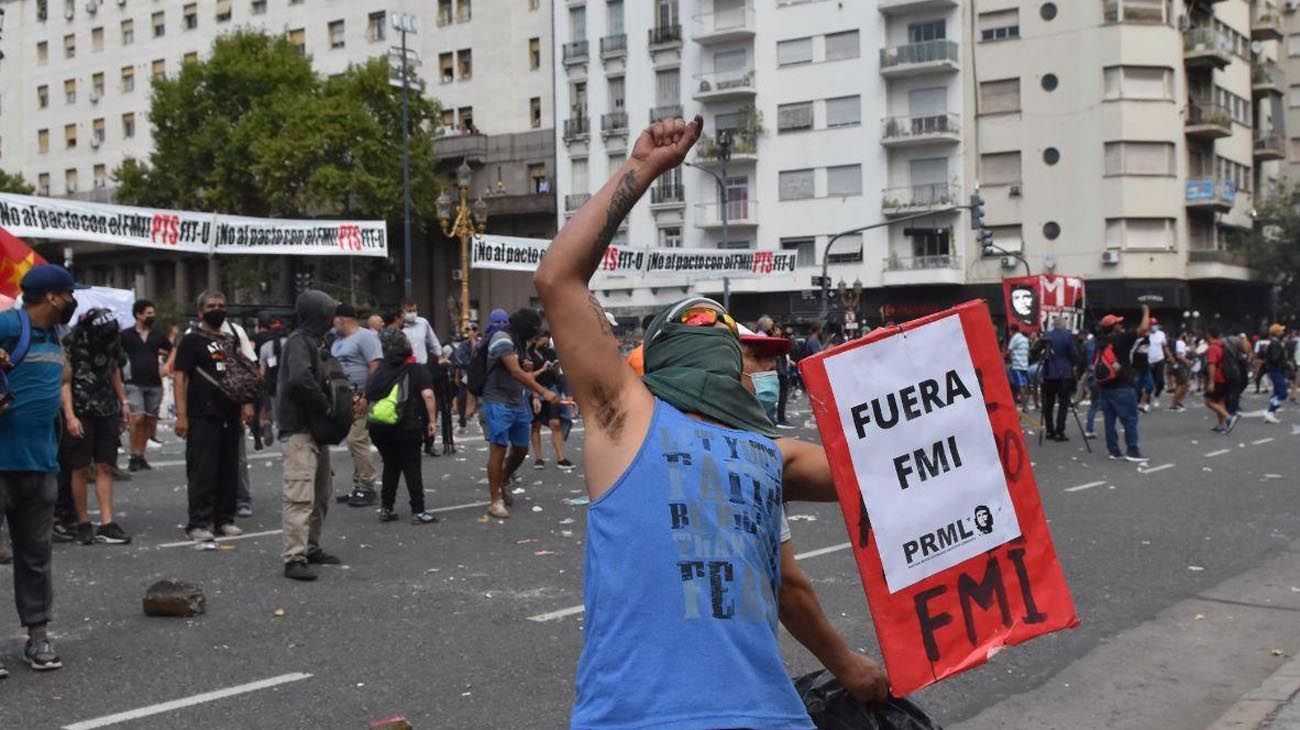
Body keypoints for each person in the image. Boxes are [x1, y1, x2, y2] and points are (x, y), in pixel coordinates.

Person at [535, 115, 886, 729]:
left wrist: (642, 168)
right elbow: (884, 477)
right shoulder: (746, 447)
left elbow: (558, 278)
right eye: (745, 364)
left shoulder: (639, 424)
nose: (753, 376)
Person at [0, 264, 86, 674]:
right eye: (69, 294)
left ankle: (37, 637)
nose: (73, 301)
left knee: (36, 557)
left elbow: (62, 377)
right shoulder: (6, 326)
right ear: (53, 297)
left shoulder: (55, 336)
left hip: (41, 464)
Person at [173, 291, 254, 542]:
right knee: (202, 470)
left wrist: (245, 404)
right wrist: (182, 415)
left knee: (228, 468)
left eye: (221, 305)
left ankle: (224, 519)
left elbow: (239, 374)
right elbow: (179, 377)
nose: (217, 309)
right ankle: (199, 522)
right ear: (200, 312)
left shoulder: (230, 340)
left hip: (229, 412)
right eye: (211, 306)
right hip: (202, 414)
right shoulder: (191, 341)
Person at [279, 290, 345, 581]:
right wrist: (327, 405)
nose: (333, 319)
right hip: (300, 429)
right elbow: (300, 379)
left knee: (321, 495)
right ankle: (294, 557)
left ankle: (311, 546)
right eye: (328, 312)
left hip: (317, 430)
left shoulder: (317, 343)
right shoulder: (298, 342)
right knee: (300, 495)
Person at [60, 308, 133, 545]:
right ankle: (82, 523)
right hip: (81, 409)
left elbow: (114, 371)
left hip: (107, 408)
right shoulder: (72, 342)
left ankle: (107, 522)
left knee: (105, 465)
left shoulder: (112, 341)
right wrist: (70, 415)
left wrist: (123, 402)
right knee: (80, 467)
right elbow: (65, 381)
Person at [480, 308, 560, 519]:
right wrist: (542, 392)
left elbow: (519, 369)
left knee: (521, 449)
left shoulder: (518, 341)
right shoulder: (502, 338)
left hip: (517, 401)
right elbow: (514, 371)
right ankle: (494, 500)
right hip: (498, 401)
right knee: (498, 448)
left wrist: (526, 366)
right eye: (533, 329)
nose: (535, 334)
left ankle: (504, 478)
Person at [365, 329, 439, 525]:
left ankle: (386, 508)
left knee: (391, 464)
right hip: (406, 425)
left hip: (378, 426)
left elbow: (369, 394)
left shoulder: (380, 369)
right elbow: (428, 395)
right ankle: (419, 511)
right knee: (412, 466)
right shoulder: (416, 369)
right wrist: (432, 421)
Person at [330, 303, 381, 506]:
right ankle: (358, 485)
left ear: (342, 318)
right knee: (352, 441)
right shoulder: (338, 340)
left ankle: (367, 486)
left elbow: (375, 366)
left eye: (334, 319)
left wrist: (366, 396)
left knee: (356, 439)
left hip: (359, 396)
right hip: (342, 397)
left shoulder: (366, 337)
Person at [120, 299, 172, 472]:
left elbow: (172, 349)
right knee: (137, 418)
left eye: (153, 313)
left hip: (154, 383)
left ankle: (141, 455)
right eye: (148, 313)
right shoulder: (126, 335)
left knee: (149, 420)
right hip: (133, 381)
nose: (152, 316)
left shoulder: (157, 335)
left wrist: (166, 366)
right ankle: (134, 455)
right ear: (138, 315)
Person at [1096, 307, 1151, 461]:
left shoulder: (1100, 341)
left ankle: (1113, 451)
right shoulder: (1121, 339)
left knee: (1109, 420)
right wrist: (1146, 312)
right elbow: (1143, 329)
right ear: (1114, 327)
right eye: (1119, 324)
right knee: (1130, 419)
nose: (1122, 325)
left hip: (1105, 386)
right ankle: (1132, 451)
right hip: (1122, 385)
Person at [526, 331, 574, 471]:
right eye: (543, 340)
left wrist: (555, 367)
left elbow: (557, 373)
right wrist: (542, 369)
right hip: (534, 390)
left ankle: (561, 457)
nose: (545, 343)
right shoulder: (527, 355)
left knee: (556, 423)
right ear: (536, 339)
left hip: (551, 388)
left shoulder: (549, 352)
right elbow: (527, 377)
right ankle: (538, 458)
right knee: (536, 425)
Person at [1040, 317, 1078, 442]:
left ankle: (1049, 430)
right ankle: (1059, 430)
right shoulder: (1067, 336)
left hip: (1048, 372)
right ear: (1063, 325)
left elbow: (1038, 351)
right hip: (1063, 372)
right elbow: (1073, 353)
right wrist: (1073, 364)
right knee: (1063, 403)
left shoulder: (1047, 335)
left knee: (1048, 403)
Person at [1262, 323, 1291, 424]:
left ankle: (1270, 412)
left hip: (1275, 370)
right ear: (1277, 333)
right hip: (1276, 370)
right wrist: (1285, 362)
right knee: (1282, 393)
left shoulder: (1274, 342)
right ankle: (1270, 411)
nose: (1283, 333)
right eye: (1281, 331)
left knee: (1277, 392)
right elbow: (1275, 358)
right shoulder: (1275, 344)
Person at [1006, 324, 1030, 410]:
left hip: (1017, 366)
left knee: (1019, 386)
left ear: (1012, 330)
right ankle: (1025, 404)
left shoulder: (1015, 338)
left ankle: (1024, 407)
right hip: (1025, 365)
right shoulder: (1025, 339)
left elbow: (1009, 351)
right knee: (1025, 386)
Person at [1146, 318, 1168, 407]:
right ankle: (1146, 401)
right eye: (1151, 324)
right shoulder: (1145, 335)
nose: (1153, 326)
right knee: (1149, 383)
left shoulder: (1161, 334)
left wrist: (1170, 357)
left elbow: (1165, 346)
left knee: (1161, 382)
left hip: (1159, 359)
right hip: (1148, 361)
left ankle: (1156, 396)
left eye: (1155, 324)